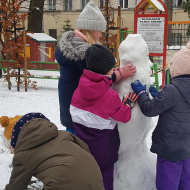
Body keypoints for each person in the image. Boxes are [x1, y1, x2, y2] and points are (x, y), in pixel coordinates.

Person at [131, 40, 190, 190]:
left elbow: (149, 109)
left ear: (177, 69)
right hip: (186, 146)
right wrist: (160, 97)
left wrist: (142, 93)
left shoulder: (171, 90)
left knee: (167, 188)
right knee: (185, 181)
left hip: (169, 148)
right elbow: (177, 107)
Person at [70, 44, 137, 190]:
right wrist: (128, 102)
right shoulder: (110, 97)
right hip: (103, 154)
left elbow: (98, 83)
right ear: (107, 71)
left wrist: (118, 75)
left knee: (85, 186)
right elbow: (124, 116)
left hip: (81, 150)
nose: (114, 69)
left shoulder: (78, 90)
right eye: (112, 68)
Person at [55, 1, 136, 134]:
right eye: (99, 31)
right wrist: (120, 74)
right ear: (90, 29)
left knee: (72, 135)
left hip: (70, 101)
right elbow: (99, 79)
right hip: (78, 105)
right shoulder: (83, 52)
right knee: (78, 139)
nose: (100, 35)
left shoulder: (72, 46)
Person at [0, 113, 108, 190]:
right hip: (95, 183)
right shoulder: (62, 134)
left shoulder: (24, 156)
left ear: (16, 141)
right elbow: (85, 148)